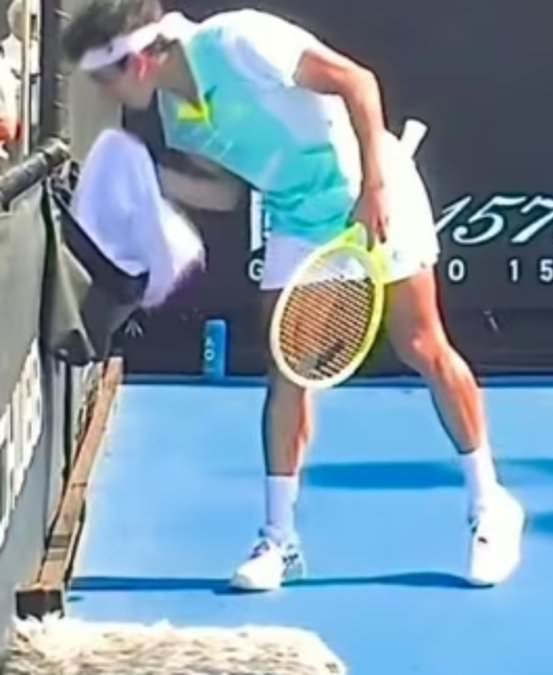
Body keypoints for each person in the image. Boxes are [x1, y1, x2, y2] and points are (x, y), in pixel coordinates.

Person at [62, 0, 526, 590]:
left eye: (103, 76)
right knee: (288, 369)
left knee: (420, 344)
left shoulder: (237, 41)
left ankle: (490, 505)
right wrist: (149, 183)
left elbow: (358, 82)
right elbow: (228, 195)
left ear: (138, 61)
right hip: (297, 220)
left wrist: (375, 188)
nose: (103, 91)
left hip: (371, 191)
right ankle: (277, 539)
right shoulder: (177, 119)